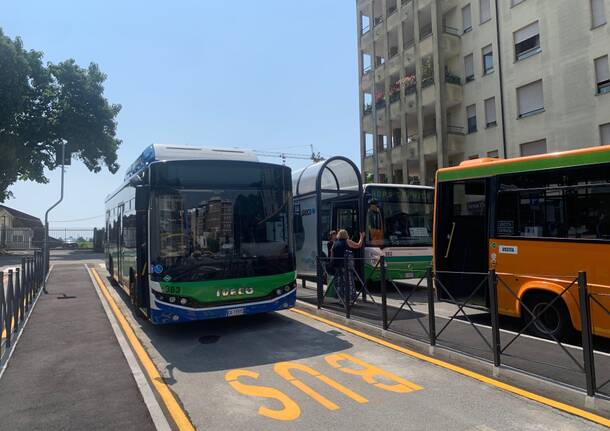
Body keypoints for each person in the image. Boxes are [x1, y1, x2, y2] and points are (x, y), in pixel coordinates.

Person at [330, 229, 364, 305]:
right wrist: (361, 237)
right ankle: (348, 300)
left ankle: (340, 299)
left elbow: (332, 253)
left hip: (337, 266)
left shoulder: (335, 243)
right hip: (346, 265)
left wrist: (332, 263)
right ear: (346, 235)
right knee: (348, 282)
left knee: (340, 283)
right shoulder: (348, 241)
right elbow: (358, 245)